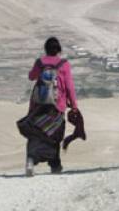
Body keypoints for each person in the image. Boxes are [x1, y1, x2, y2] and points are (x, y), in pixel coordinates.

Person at [22, 37, 79, 176]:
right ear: (58, 50)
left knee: (35, 134)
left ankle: (31, 160)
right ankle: (55, 165)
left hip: (38, 105)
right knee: (55, 135)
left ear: (46, 49)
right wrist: (74, 106)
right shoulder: (64, 64)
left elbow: (31, 76)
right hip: (57, 106)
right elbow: (69, 86)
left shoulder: (39, 62)